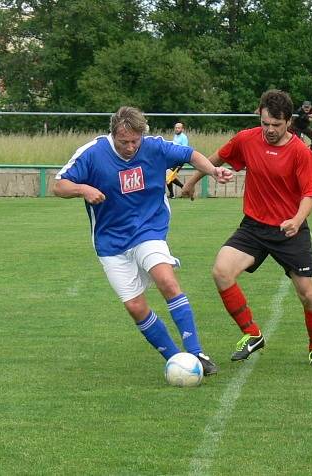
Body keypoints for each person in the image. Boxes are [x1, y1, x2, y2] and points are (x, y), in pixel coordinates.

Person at [53, 106, 232, 375]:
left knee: (167, 280)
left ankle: (196, 353)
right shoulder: (92, 153)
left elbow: (191, 154)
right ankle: (177, 361)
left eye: (135, 141)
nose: (130, 147)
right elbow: (59, 185)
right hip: (111, 242)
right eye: (123, 142)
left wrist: (213, 171)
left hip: (149, 229)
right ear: (113, 134)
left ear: (142, 134)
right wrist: (83, 188)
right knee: (135, 307)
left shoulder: (154, 147)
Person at [181, 89, 312, 368]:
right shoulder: (247, 139)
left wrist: (296, 221)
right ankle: (252, 334)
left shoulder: (300, 152)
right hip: (254, 227)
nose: (270, 130)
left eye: (276, 124)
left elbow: (310, 192)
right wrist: (192, 181)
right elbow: (217, 157)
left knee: (308, 295)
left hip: (289, 230)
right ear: (259, 116)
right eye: (265, 123)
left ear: (288, 122)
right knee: (221, 271)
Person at [167, 122, 187, 198]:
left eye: (179, 128)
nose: (177, 129)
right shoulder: (175, 136)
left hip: (179, 160)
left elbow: (184, 149)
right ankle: (172, 194)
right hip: (173, 159)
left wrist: (181, 160)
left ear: (182, 129)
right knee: (168, 176)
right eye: (176, 128)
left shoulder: (183, 137)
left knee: (169, 176)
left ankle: (184, 188)